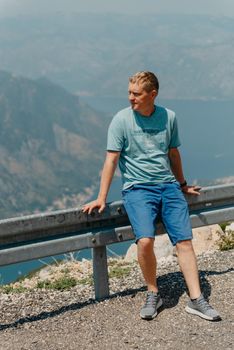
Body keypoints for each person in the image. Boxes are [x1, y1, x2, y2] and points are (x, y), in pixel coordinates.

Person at [82, 71, 221, 321]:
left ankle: (196, 299)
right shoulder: (121, 121)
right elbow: (111, 159)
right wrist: (101, 197)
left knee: (184, 242)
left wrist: (182, 184)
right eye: (129, 93)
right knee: (144, 241)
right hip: (137, 189)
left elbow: (173, 153)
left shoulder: (169, 117)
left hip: (168, 187)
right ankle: (153, 292)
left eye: (136, 94)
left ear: (152, 94)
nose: (130, 98)